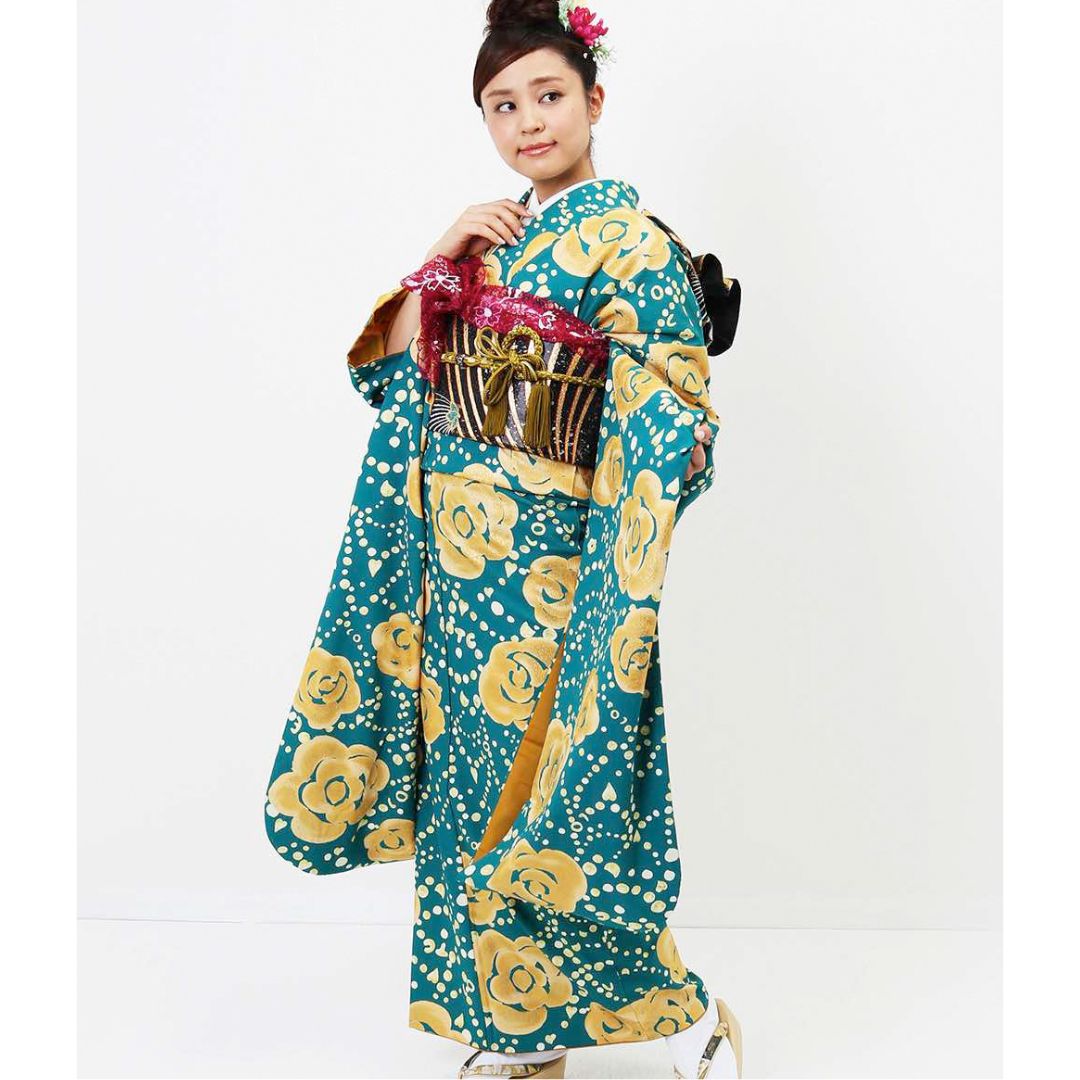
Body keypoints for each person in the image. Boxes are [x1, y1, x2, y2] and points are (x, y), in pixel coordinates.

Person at [263, 2, 742, 1077]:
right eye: (502, 104)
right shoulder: (492, 240)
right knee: (473, 801)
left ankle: (691, 1018)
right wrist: (442, 253)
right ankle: (521, 1035)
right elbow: (392, 372)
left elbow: (678, 404)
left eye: (549, 95)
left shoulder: (629, 241)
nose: (529, 121)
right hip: (459, 573)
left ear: (595, 102)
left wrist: (635, 428)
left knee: (556, 807)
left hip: (555, 570)